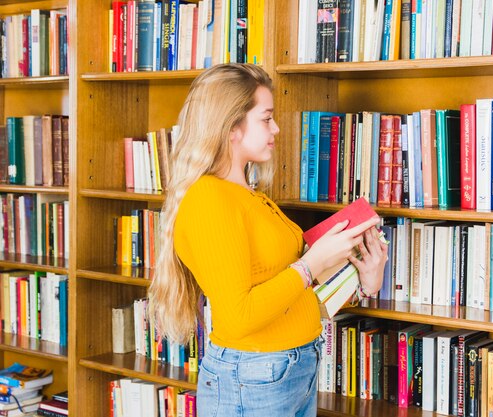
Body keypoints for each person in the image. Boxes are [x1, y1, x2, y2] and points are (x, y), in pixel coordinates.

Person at [149, 63, 388, 417]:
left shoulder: (251, 196)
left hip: (290, 369)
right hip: (254, 376)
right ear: (231, 127)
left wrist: (366, 279)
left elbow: (291, 298)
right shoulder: (209, 200)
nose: (276, 128)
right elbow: (239, 316)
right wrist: (311, 264)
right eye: (266, 118)